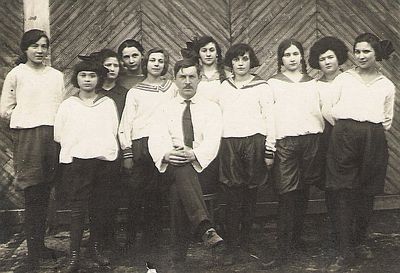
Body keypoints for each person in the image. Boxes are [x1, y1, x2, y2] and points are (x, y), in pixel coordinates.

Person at [325, 33, 395, 272]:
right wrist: (347, 130)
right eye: (357, 51)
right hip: (344, 135)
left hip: (373, 138)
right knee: (344, 192)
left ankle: (359, 242)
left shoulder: (386, 85)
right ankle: (344, 252)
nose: (361, 56)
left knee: (367, 193)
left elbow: (387, 120)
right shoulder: (344, 79)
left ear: (376, 54)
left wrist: (367, 132)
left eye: (366, 51)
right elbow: (328, 109)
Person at [147, 58, 224, 273]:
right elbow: (156, 138)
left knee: (178, 190)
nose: (187, 82)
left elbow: (212, 140)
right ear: (175, 79)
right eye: (182, 77)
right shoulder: (165, 108)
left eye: (192, 77)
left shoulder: (211, 108)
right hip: (172, 166)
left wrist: (194, 154)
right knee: (180, 170)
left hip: (203, 168)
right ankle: (204, 227)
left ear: (199, 79)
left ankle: (178, 258)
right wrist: (166, 154)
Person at [0, 29, 65, 270]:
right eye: (35, 46)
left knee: (46, 190)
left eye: (44, 46)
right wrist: (27, 119)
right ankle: (33, 252)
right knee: (32, 192)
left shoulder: (56, 75)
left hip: (53, 136)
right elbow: (5, 109)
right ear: (25, 49)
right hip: (28, 136)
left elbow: (60, 106)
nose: (40, 51)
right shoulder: (17, 74)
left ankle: (40, 245)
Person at [263, 39, 324, 269]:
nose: (292, 58)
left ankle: (296, 241)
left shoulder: (313, 84)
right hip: (285, 143)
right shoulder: (273, 84)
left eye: (295, 53)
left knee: (303, 192)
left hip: (311, 142)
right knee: (287, 193)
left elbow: (321, 113)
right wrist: (271, 147)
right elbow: (270, 117)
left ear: (301, 57)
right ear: (281, 59)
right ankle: (283, 251)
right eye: (287, 54)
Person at [54, 60, 119, 272]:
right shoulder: (68, 105)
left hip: (102, 163)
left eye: (92, 75)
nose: (88, 80)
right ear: (77, 79)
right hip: (78, 164)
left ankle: (95, 248)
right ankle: (74, 255)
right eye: (83, 76)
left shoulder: (107, 103)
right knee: (77, 209)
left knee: (99, 207)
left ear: (99, 78)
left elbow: (112, 130)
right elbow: (59, 134)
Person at [218, 43, 275, 265]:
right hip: (230, 143)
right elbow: (218, 117)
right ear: (230, 63)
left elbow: (271, 118)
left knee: (250, 194)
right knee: (232, 195)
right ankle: (231, 245)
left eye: (245, 59)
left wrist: (270, 149)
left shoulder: (262, 86)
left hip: (255, 143)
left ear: (251, 61)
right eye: (236, 60)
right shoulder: (224, 87)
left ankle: (245, 240)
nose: (240, 64)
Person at [118, 47, 176, 250]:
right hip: (141, 145)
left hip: (163, 146)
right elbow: (126, 124)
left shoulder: (172, 88)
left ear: (165, 64)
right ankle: (131, 238)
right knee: (136, 193)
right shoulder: (135, 92)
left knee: (158, 193)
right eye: (153, 60)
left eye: (161, 61)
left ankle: (154, 239)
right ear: (146, 63)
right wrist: (127, 152)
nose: (157, 64)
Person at [308, 36, 349, 249]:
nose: (327, 62)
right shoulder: (314, 85)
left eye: (331, 57)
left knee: (351, 186)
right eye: (322, 58)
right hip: (326, 137)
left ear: (339, 57)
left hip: (349, 136)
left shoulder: (350, 80)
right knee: (332, 187)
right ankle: (337, 234)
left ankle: (355, 238)